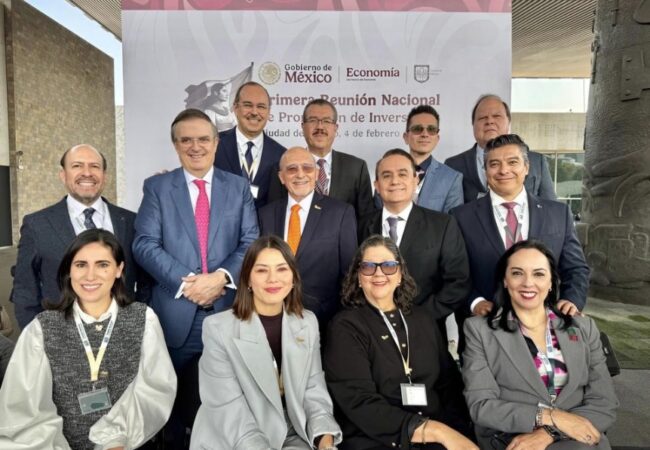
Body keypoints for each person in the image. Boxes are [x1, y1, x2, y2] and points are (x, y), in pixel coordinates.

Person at [133, 108, 258, 447]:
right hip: (175, 317)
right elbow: (144, 244)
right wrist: (189, 283)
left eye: (203, 139)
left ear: (216, 143)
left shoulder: (238, 187)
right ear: (175, 145)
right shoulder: (158, 187)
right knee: (170, 407)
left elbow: (250, 241)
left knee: (231, 403)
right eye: (186, 140)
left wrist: (219, 278)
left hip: (228, 312)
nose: (195, 146)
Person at [0, 229, 176, 449]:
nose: (90, 276)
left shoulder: (144, 319)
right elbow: (24, 408)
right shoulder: (42, 328)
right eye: (81, 265)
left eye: (102, 265)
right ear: (69, 270)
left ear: (119, 269)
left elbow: (154, 389)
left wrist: (116, 440)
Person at [324, 235, 476, 450]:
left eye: (388, 266)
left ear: (400, 275)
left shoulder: (423, 319)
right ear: (358, 277)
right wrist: (436, 431)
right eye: (368, 267)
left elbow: (449, 386)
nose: (378, 273)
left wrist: (458, 433)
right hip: (376, 440)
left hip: (437, 437)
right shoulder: (345, 326)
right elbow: (359, 402)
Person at [462, 240, 618, 449]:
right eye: (517, 273)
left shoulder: (583, 327)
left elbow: (604, 401)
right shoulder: (479, 330)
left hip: (579, 436)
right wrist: (549, 417)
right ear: (505, 280)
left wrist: (550, 432)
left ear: (552, 282)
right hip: (512, 437)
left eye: (539, 274)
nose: (528, 283)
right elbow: (481, 406)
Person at [190, 235, 342, 450]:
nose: (273, 279)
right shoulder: (218, 328)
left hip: (291, 432)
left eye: (282, 269)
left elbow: (313, 390)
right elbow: (228, 409)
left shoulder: (307, 323)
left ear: (293, 277)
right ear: (247, 279)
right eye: (262, 270)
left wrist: (325, 440)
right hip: (233, 438)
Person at [451, 134, 589, 319]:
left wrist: (571, 299)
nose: (503, 170)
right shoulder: (461, 217)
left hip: (546, 320)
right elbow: (454, 273)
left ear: (527, 167)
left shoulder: (558, 213)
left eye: (512, 162)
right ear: (485, 171)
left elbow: (576, 268)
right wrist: (475, 302)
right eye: (494, 164)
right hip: (484, 321)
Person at [11, 144, 149, 329]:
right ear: (63, 175)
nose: (87, 173)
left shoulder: (132, 222)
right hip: (60, 333)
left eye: (94, 166)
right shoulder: (37, 224)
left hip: (122, 332)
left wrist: (135, 324)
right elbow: (24, 288)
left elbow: (146, 282)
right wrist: (39, 335)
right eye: (77, 166)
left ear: (104, 175)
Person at [358, 149, 470, 332]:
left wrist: (419, 317)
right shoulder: (360, 226)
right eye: (386, 175)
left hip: (426, 329)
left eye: (402, 174)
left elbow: (458, 282)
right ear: (376, 185)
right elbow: (352, 279)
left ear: (415, 180)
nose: (395, 181)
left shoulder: (443, 225)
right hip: (371, 329)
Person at [259, 146, 357, 330]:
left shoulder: (341, 213)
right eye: (292, 169)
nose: (300, 174)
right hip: (274, 317)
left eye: (307, 168)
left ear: (317, 174)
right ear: (281, 177)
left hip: (324, 321)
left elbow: (349, 273)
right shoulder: (266, 214)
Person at [268, 98, 374, 221]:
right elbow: (274, 215)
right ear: (303, 126)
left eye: (326, 121)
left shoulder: (356, 168)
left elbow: (366, 221)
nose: (320, 127)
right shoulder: (283, 167)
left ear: (335, 128)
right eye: (313, 120)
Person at [445, 94, 556, 203]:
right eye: (482, 118)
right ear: (473, 124)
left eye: (496, 116)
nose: (490, 121)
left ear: (508, 122)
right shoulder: (453, 165)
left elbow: (550, 207)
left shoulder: (537, 161)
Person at [375, 105, 463, 213]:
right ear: (406, 137)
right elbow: (377, 216)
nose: (425, 134)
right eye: (417, 129)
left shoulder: (452, 178)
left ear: (437, 139)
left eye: (431, 129)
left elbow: (452, 221)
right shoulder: (385, 171)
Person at [215, 81, 286, 209]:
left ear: (268, 111)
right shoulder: (214, 145)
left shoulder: (281, 155)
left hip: (263, 222)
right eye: (248, 105)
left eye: (261, 107)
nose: (254, 112)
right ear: (235, 108)